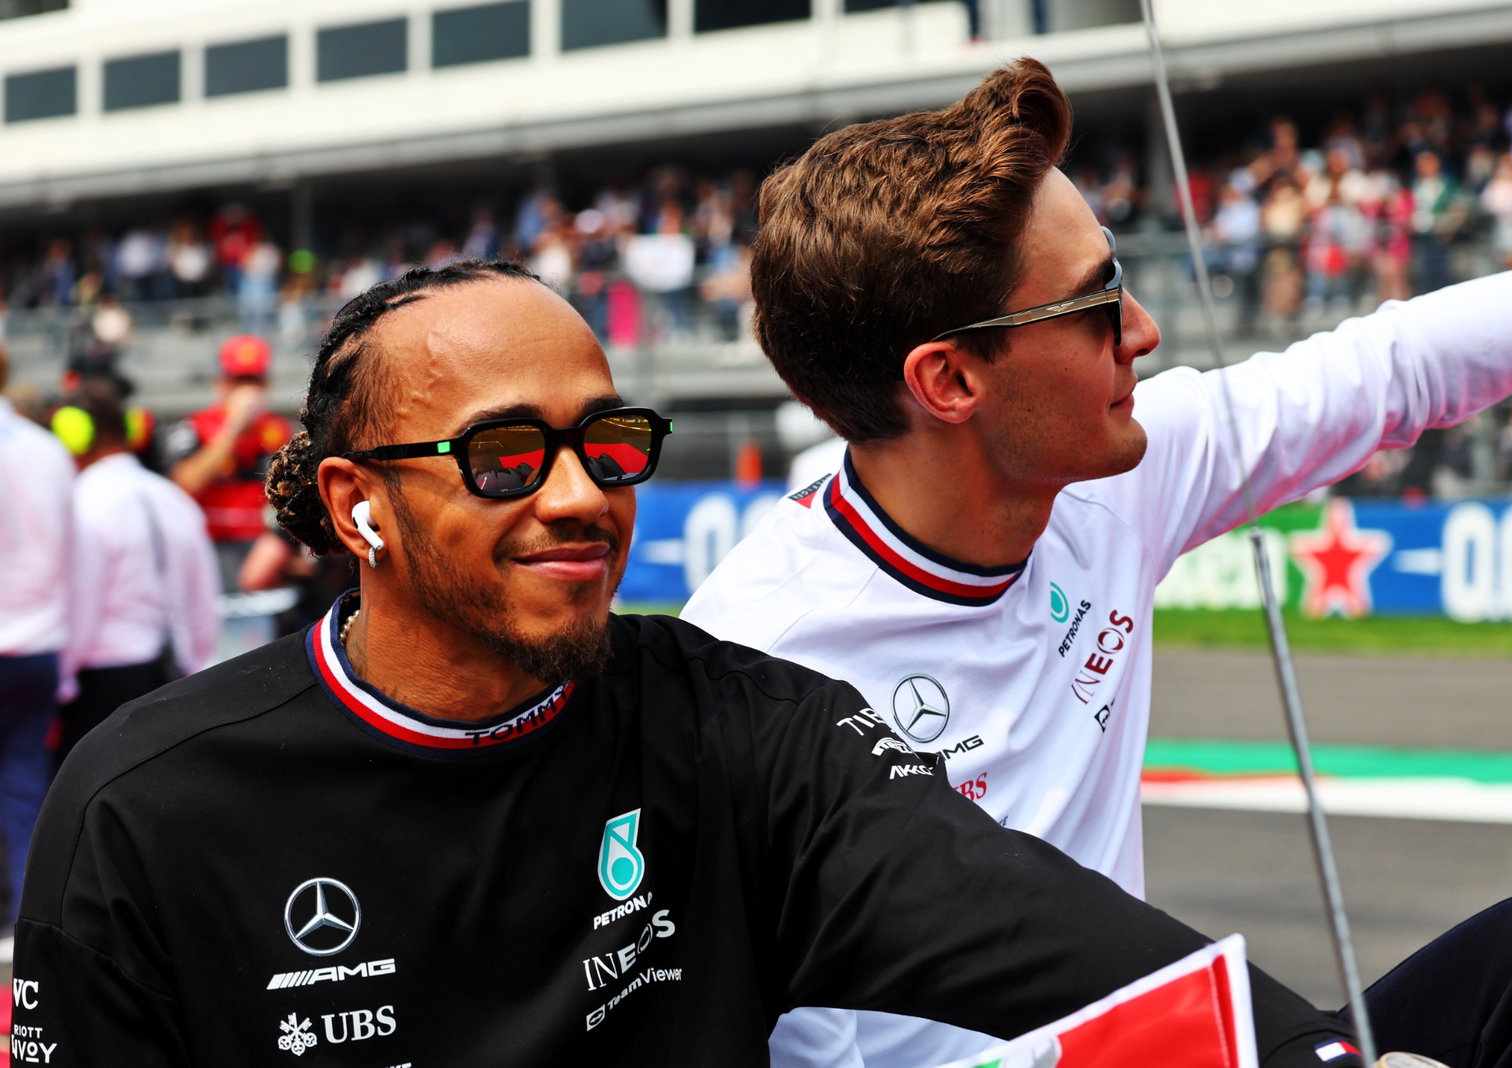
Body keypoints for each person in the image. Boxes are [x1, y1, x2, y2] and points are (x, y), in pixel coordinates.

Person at [13, 260, 1379, 1066]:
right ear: (361, 506)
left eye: (606, 445)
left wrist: (1312, 1051)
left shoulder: (734, 722)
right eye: (505, 456)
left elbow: (1040, 934)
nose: (576, 495)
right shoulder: (147, 802)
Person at [679, 58, 1512, 1068]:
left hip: (1169, 1044)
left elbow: (1388, 370)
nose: (1144, 334)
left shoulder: (1116, 473)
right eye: (1094, 302)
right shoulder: (750, 678)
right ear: (947, 380)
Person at [50, 380, 221, 767]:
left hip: (101, 679)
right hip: (174, 674)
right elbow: (204, 601)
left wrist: (61, 680)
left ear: (74, 434)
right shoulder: (174, 499)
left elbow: (81, 603)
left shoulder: (84, 502)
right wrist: (197, 668)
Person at [0, 340, 74, 933]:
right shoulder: (48, 451)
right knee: (25, 785)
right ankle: (28, 919)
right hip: (39, 646)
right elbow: (70, 555)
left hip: (32, 637)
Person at [165, 332, 295, 589]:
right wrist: (233, 428)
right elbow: (186, 483)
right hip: (207, 546)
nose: (247, 391)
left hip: (261, 550)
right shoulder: (194, 427)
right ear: (221, 384)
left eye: (254, 381)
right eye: (238, 381)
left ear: (266, 384)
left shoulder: (280, 431)